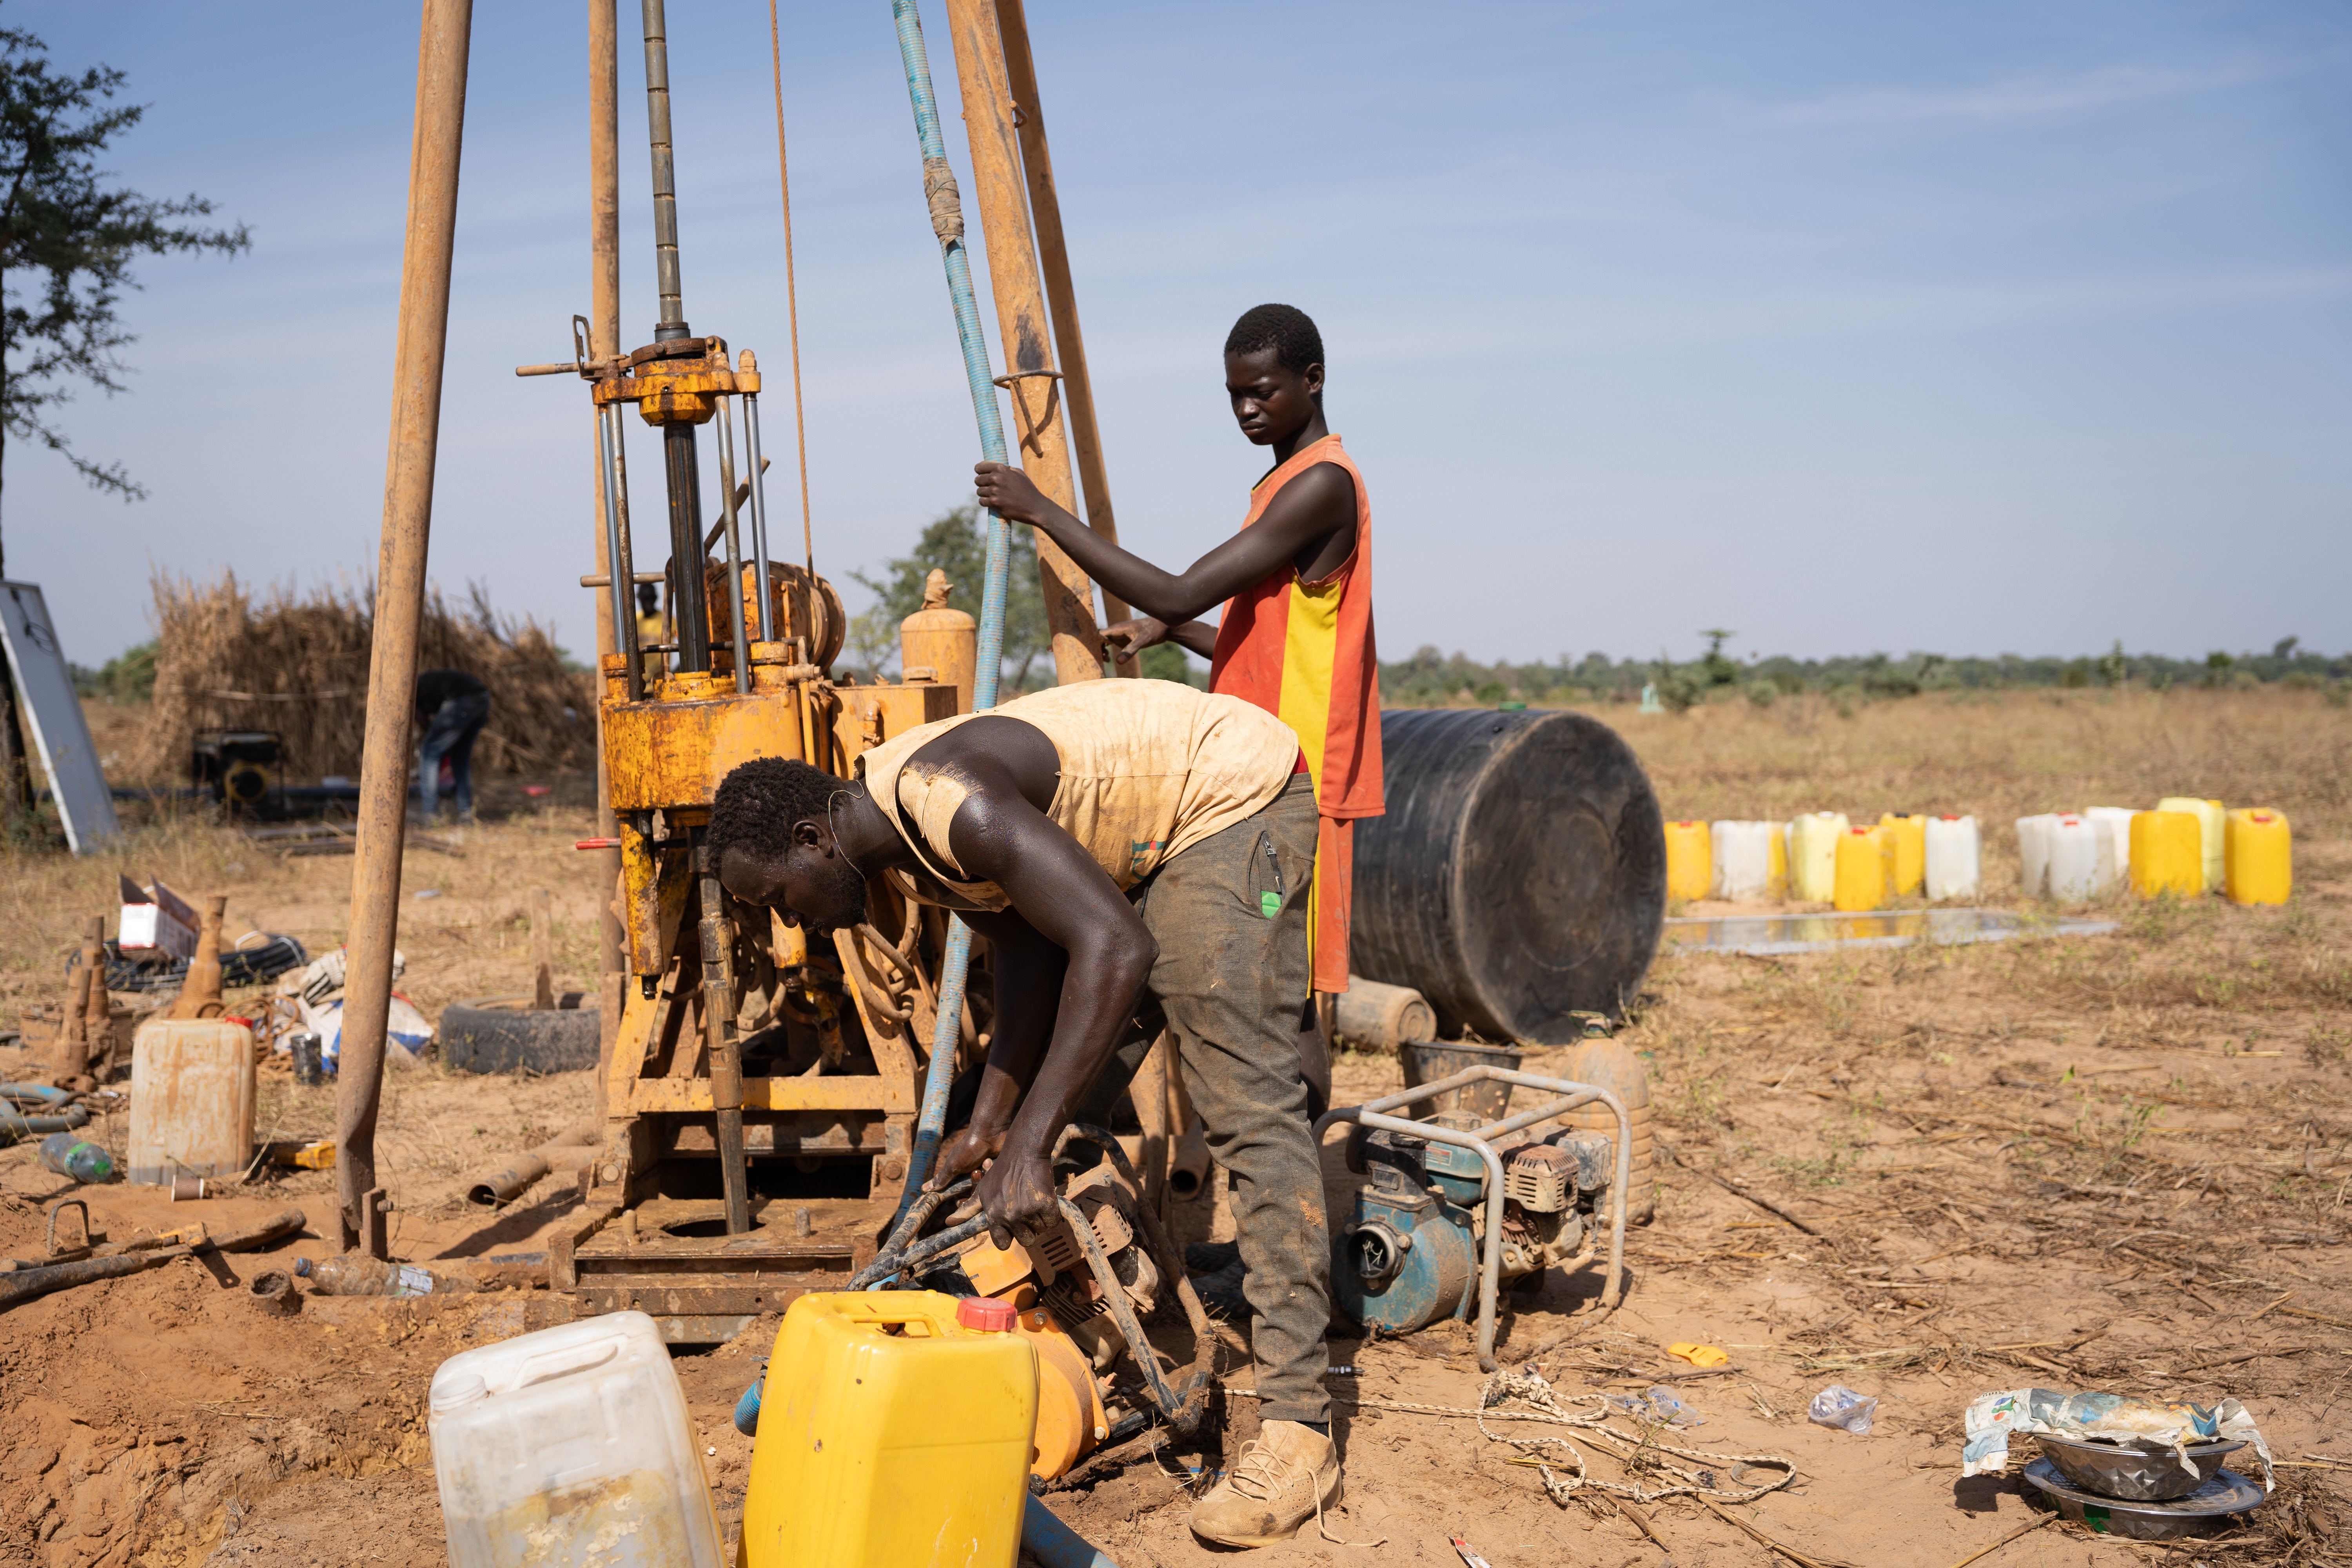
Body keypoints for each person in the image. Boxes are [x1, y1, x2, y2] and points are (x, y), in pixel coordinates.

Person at [710, 678, 1343, 1548]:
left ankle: (1301, 1428)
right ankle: (1090, 1322)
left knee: (1245, 1101)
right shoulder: (895, 842)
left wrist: (1033, 1142)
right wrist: (992, 1124)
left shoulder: (951, 807)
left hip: (1225, 796)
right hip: (1143, 840)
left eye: (782, 898)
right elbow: (1028, 959)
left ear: (810, 838)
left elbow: (1117, 945)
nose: (796, 926)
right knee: (1052, 1102)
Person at [972, 303, 1379, 1105]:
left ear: (1313, 380)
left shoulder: (1323, 483)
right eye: (1234, 395)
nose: (1247, 410)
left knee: (1286, 1003)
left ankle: (1296, 1178)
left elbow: (1185, 584)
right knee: (1241, 976)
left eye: (1261, 391)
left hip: (1295, 782)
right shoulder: (1280, 486)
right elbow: (1264, 635)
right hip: (1248, 777)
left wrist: (1043, 511)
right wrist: (1169, 632)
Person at [412, 669, 489, 824]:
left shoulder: (411, 692)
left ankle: (430, 814)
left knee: (429, 753)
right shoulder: (427, 684)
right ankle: (466, 813)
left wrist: (434, 737)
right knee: (460, 757)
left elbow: (421, 719)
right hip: (483, 699)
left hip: (463, 700)